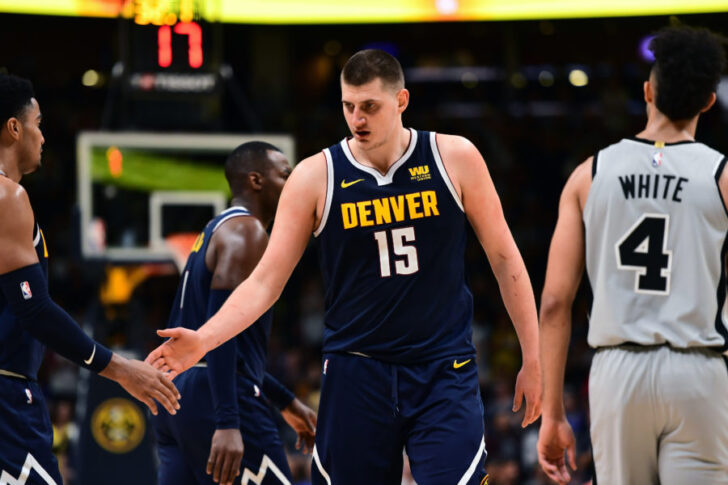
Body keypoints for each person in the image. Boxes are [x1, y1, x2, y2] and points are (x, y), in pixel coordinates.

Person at [147, 49, 541, 484]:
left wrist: (534, 355)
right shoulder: (316, 175)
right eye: (348, 106)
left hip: (442, 366)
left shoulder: (455, 157)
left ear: (401, 101)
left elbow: (505, 260)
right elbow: (264, 283)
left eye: (369, 106)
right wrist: (203, 339)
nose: (357, 119)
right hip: (357, 371)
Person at [537, 26, 728, 485]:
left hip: (618, 373)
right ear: (708, 101)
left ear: (647, 91)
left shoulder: (588, 175)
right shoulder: (722, 176)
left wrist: (552, 414)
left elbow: (554, 304)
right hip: (699, 369)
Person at [0, 74, 180, 484]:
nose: (43, 137)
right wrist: (121, 369)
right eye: (38, 123)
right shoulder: (7, 196)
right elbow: (35, 310)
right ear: (14, 128)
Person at [151, 141, 317, 485]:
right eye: (284, 174)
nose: (292, 183)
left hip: (176, 396)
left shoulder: (214, 231)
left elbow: (223, 343)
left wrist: (284, 400)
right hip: (217, 397)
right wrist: (228, 421)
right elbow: (218, 336)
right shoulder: (247, 231)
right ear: (256, 180)